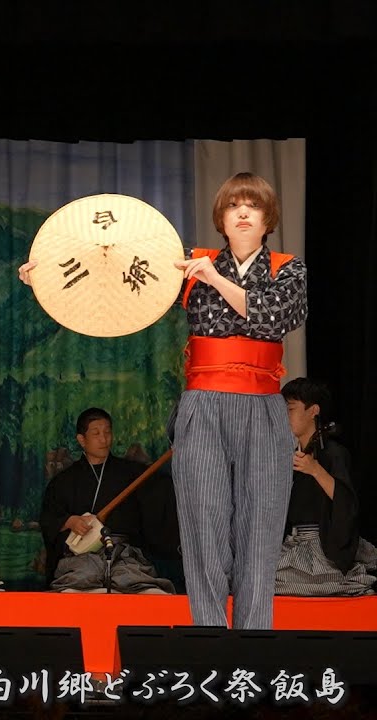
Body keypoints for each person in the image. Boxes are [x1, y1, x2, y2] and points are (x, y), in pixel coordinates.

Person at [20, 172, 305, 628]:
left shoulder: (287, 269)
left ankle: (253, 643)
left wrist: (214, 279)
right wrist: (48, 278)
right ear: (221, 218)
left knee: (261, 528)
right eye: (234, 206)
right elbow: (117, 274)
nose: (243, 213)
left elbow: (272, 319)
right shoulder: (191, 263)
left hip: (261, 403)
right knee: (203, 527)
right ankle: (210, 637)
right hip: (204, 403)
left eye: (253, 206)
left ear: (268, 218)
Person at [38, 408, 177, 594]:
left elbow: (160, 496)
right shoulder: (63, 482)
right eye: (96, 434)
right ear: (81, 439)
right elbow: (49, 519)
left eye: (107, 432)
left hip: (124, 555)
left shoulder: (132, 473)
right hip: (82, 558)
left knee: (150, 593)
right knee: (72, 591)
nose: (104, 439)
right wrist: (69, 521)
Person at [276, 378, 377, 596]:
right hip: (293, 545)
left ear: (313, 410)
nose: (285, 416)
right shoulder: (294, 457)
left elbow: (347, 503)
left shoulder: (333, 453)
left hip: (321, 547)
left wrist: (316, 470)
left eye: (290, 409)